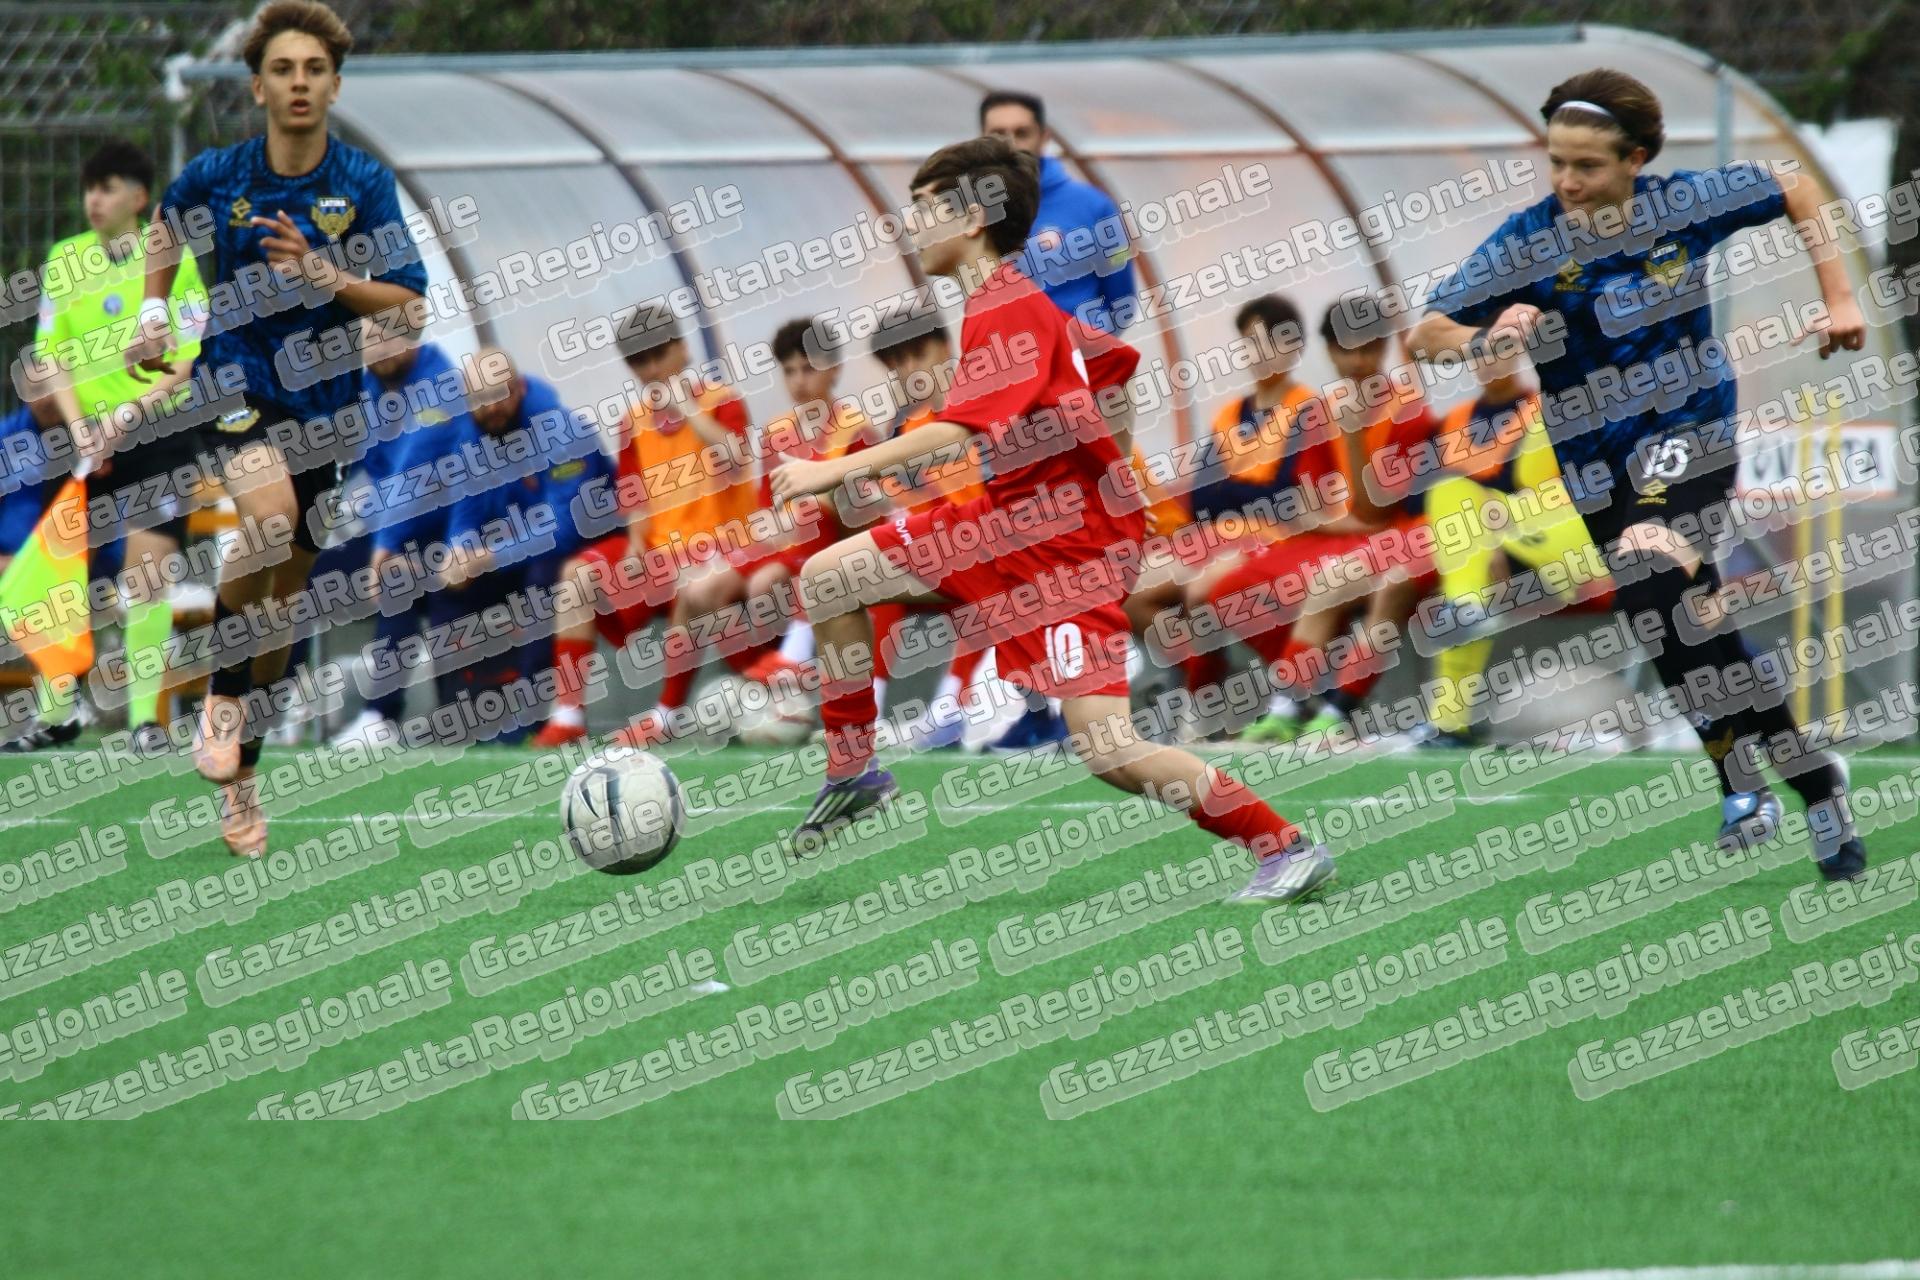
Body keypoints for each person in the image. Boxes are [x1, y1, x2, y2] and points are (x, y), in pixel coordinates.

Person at [770, 135, 1334, 904]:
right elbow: (1116, 371)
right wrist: (1107, 476)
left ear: (973, 218)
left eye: (926, 207)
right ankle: (853, 772)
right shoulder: (1013, 303)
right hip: (1001, 524)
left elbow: (959, 432)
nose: (912, 223)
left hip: (1063, 557)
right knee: (830, 576)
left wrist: (826, 472)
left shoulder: (1006, 307)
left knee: (1109, 750)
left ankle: (1284, 845)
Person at [1410, 67, 1869, 881]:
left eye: (1587, 165)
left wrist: (1842, 298)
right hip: (1593, 464)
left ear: (1637, 159)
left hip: (1690, 432)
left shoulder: (1684, 205)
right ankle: (1812, 784)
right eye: (1557, 162)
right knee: (1683, 622)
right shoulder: (1529, 239)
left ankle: (1742, 787)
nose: (1567, 181)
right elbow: (1427, 332)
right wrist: (1485, 340)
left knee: (1651, 578)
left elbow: (1794, 185)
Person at [124, 0, 427, 856]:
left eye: (314, 70)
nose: (299, 83)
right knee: (266, 518)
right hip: (235, 377)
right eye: (283, 70)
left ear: (335, 86)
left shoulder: (362, 184)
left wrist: (326, 274)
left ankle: (244, 776)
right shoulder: (220, 174)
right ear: (258, 87)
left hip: (326, 404)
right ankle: (219, 703)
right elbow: (167, 225)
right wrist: (154, 314)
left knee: (283, 606)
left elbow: (408, 303)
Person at [6, 140, 210, 755]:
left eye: (108, 186)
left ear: (139, 197)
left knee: (148, 574)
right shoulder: (65, 259)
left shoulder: (172, 258)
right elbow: (51, 358)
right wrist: (80, 429)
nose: (93, 199)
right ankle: (58, 713)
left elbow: (186, 359)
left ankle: (146, 722)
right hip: (84, 441)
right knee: (59, 578)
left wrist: (128, 413)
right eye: (89, 187)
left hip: (157, 433)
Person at [530, 305, 756, 750]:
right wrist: (635, 545)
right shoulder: (633, 420)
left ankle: (667, 715)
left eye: (658, 355)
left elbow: (736, 458)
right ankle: (567, 716)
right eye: (639, 362)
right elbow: (634, 497)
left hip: (721, 549)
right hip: (659, 553)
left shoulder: (722, 400)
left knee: (696, 585)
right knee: (576, 576)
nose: (650, 370)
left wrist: (688, 409)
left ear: (683, 350)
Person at [429, 351, 612, 741]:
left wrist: (490, 556)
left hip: (583, 549)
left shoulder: (561, 430)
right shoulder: (470, 437)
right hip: (512, 553)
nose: (491, 408)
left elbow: (564, 530)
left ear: (520, 388)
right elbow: (465, 514)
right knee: (445, 589)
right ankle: (457, 720)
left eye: (499, 395)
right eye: (479, 399)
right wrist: (460, 553)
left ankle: (534, 722)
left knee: (544, 578)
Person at [325, 321, 476, 746]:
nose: (379, 348)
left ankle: (382, 715)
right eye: (369, 341)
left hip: (449, 534)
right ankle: (269, 707)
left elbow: (415, 474)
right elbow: (359, 466)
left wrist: (385, 545)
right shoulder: (367, 389)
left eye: (387, 336)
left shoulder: (440, 384)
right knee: (302, 576)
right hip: (390, 532)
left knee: (397, 576)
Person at [980, 90, 1137, 335]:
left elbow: (1121, 301)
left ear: (1043, 138)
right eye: (998, 134)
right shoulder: (970, 211)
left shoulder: (1096, 207)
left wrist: (1086, 346)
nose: (1010, 144)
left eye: (1022, 133)